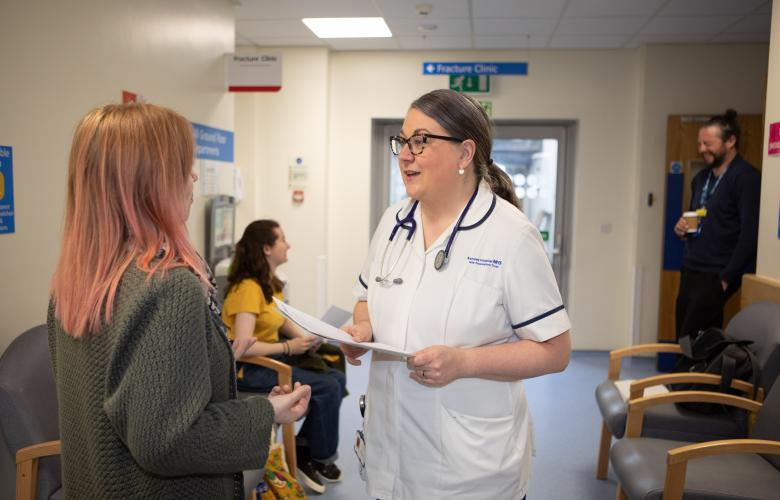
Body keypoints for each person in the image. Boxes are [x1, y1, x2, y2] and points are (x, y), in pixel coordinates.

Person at [48, 103, 311, 499]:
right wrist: (267, 412)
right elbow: (168, 440)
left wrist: (243, 411)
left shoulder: (73, 284)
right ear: (151, 183)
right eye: (183, 167)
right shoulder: (167, 287)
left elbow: (130, 410)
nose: (192, 178)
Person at [342, 89, 571, 499]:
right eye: (402, 140)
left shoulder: (511, 236)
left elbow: (555, 350)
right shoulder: (393, 223)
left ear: (465, 154)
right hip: (390, 453)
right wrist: (360, 328)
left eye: (421, 141)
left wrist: (464, 362)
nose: (405, 154)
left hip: (471, 471)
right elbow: (366, 298)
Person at [222, 220, 346, 494]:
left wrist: (309, 338)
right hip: (249, 370)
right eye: (282, 239)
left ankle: (307, 449)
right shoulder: (247, 289)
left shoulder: (269, 285)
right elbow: (243, 346)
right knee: (325, 386)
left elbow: (281, 323)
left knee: (335, 373)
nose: (288, 245)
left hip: (271, 361)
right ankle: (313, 456)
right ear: (267, 248)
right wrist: (290, 348)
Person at [673, 109, 761, 340]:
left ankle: (688, 378)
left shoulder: (746, 178)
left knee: (698, 343)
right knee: (681, 339)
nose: (702, 149)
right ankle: (682, 377)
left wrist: (726, 278)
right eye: (700, 143)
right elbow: (702, 220)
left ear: (730, 141)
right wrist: (683, 228)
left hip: (716, 274)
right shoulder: (701, 179)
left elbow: (750, 235)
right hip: (691, 268)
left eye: (708, 143)